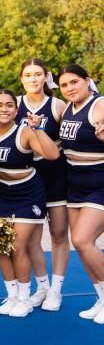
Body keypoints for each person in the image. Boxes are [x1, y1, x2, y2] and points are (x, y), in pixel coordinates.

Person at [0, 60, 69, 311]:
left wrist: (37, 129)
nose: (33, 78)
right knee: (8, 246)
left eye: (38, 74)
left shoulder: (52, 108)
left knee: (49, 237)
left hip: (41, 184)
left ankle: (47, 293)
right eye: (28, 75)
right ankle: (25, 292)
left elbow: (54, 152)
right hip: (5, 191)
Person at [57, 64, 104, 324]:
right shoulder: (68, 109)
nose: (70, 88)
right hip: (75, 184)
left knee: (84, 240)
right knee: (81, 245)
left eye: (74, 82)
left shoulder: (99, 105)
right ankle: (101, 297)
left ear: (87, 81)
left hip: (100, 182)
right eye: (64, 85)